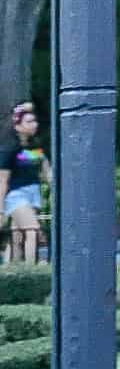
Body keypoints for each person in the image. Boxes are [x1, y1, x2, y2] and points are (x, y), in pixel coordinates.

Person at [0, 101, 52, 264]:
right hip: (16, 195)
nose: (34, 124)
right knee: (33, 230)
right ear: (18, 125)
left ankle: (11, 270)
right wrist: (0, 209)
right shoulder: (9, 149)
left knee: (17, 237)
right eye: (29, 121)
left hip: (33, 194)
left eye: (34, 121)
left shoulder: (36, 147)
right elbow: (3, 181)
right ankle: (32, 269)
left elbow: (47, 172)